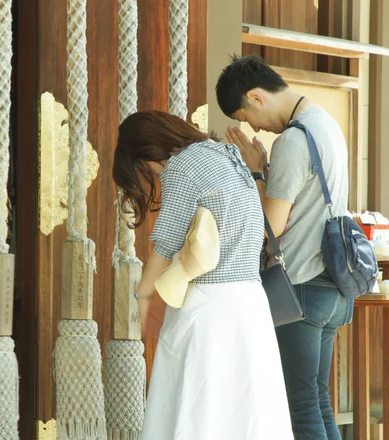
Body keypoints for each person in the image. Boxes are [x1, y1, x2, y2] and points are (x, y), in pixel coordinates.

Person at [112, 110, 293, 440]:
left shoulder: (184, 165)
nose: (152, 176)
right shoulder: (224, 154)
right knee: (247, 410)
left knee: (199, 408)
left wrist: (143, 295)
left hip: (212, 305)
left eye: (142, 169)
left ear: (147, 152)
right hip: (250, 300)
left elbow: (166, 243)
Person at [216, 54, 354, 440]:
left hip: (301, 289)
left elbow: (270, 228)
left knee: (301, 406)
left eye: (245, 116)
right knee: (318, 400)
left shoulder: (293, 140)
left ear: (257, 97)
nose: (252, 127)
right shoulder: (326, 125)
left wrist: (257, 172)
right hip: (333, 288)